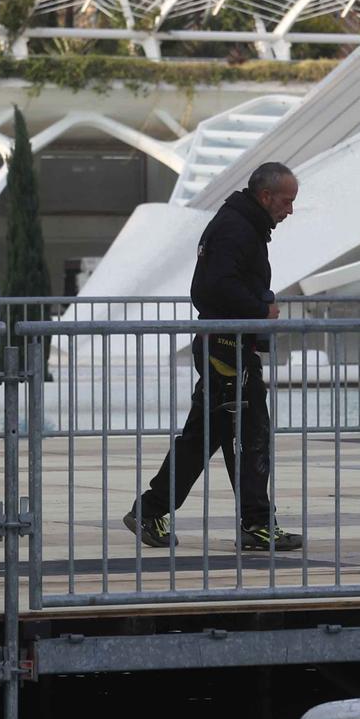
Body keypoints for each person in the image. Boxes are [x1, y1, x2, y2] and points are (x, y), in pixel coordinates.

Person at [124, 162, 305, 552]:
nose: (289, 210)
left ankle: (241, 520)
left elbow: (223, 284)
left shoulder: (241, 225)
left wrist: (259, 306)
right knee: (239, 436)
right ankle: (247, 523)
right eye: (287, 201)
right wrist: (261, 309)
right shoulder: (236, 228)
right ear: (266, 196)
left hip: (230, 347)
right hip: (226, 349)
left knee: (219, 436)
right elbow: (209, 289)